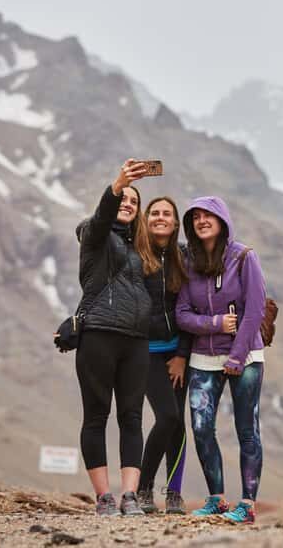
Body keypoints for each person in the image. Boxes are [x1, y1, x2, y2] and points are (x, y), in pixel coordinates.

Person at [176, 196, 266, 525]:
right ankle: (216, 499)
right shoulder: (190, 264)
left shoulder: (244, 257)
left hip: (245, 356)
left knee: (247, 431)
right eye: (195, 217)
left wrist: (238, 356)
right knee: (201, 427)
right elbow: (182, 313)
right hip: (204, 355)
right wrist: (213, 324)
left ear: (222, 220)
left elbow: (255, 310)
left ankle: (248, 504)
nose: (201, 221)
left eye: (207, 215)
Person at [74, 159, 153, 516]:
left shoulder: (142, 250)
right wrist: (118, 184)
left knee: (132, 418)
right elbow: (103, 215)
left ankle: (130, 496)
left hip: (136, 341)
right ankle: (104, 497)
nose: (128, 205)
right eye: (124, 200)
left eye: (134, 203)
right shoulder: (94, 235)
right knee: (96, 416)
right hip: (99, 336)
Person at [136, 196, 191, 514]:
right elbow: (86, 230)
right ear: (146, 218)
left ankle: (174, 494)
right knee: (167, 417)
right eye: (154, 213)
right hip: (145, 353)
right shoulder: (134, 253)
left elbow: (189, 307)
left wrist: (182, 354)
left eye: (166, 214)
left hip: (176, 354)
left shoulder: (184, 256)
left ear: (174, 223)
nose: (160, 217)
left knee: (178, 423)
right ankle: (144, 489)